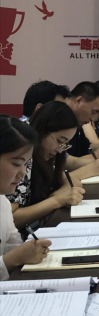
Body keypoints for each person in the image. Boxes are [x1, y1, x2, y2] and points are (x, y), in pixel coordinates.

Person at [7, 102, 86, 230]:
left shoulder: (44, 157)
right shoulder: (24, 158)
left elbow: (72, 181)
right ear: (43, 130)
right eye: (59, 141)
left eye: (65, 144)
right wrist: (56, 201)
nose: (60, 150)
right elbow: (9, 219)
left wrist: (58, 196)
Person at [0, 115, 51, 280]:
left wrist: (30, 251)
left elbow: (13, 246)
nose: (22, 173)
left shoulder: (3, 202)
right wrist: (12, 259)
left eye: (26, 164)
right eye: (16, 164)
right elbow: (13, 256)